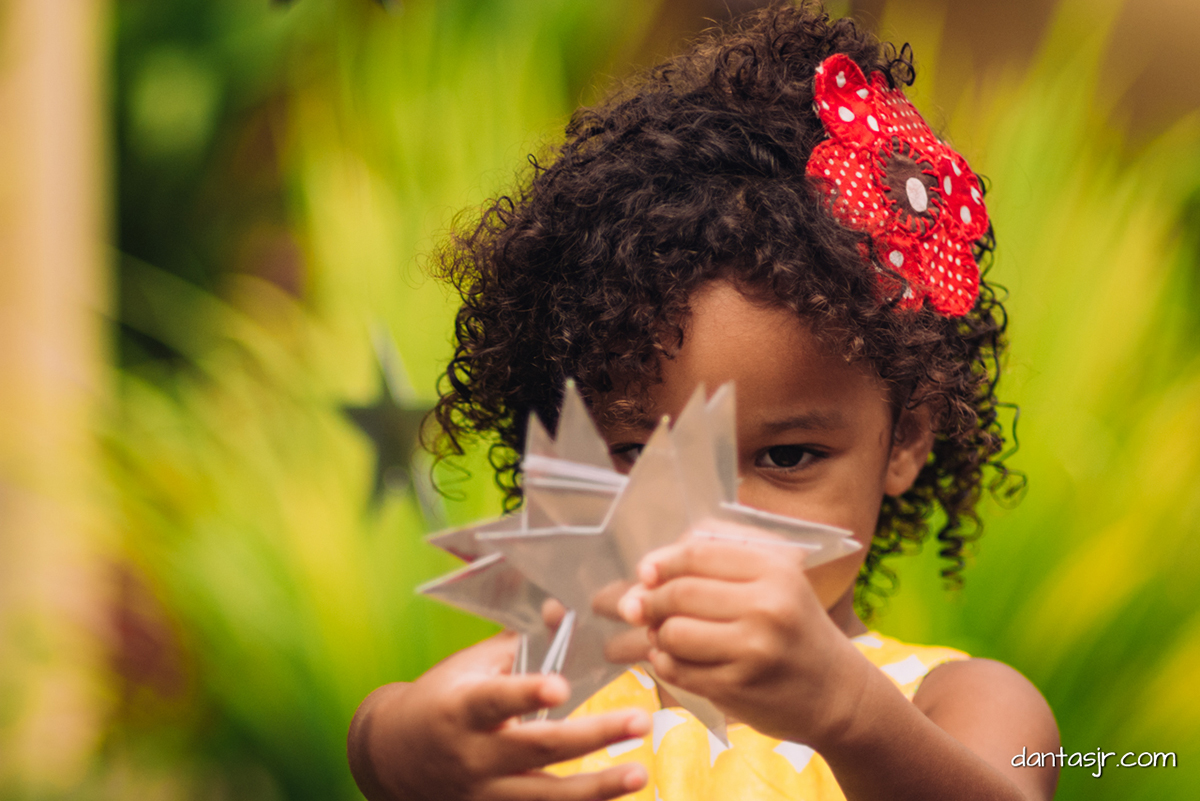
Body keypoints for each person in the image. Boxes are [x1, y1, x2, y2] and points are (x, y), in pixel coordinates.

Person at [347, 3, 1060, 799]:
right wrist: (411, 749)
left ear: (906, 440)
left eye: (786, 456)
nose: (708, 515)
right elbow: (385, 729)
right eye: (634, 452)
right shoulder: (559, 676)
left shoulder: (949, 701)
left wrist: (847, 710)